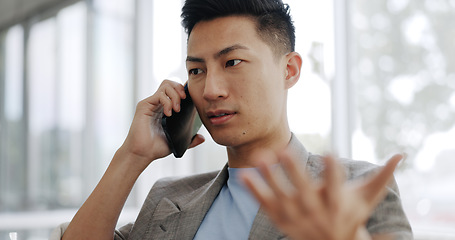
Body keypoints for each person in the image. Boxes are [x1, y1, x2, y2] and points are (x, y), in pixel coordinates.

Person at [53, 0, 413, 239]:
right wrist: (132, 156)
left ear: (288, 70)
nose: (210, 89)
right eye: (196, 70)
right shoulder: (169, 197)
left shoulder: (359, 187)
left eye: (232, 63)